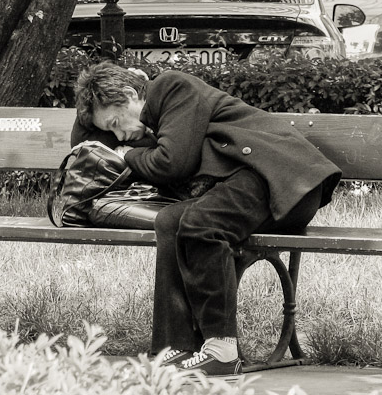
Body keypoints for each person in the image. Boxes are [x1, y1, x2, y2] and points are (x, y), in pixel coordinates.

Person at [72, 62, 341, 378]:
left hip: (277, 176)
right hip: (243, 182)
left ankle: (221, 352)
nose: (119, 134)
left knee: (202, 223)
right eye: (111, 131)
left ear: (131, 94)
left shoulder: (172, 88)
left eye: (116, 122)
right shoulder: (146, 125)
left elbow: (172, 163)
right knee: (170, 222)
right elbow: (82, 146)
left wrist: (124, 153)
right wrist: (94, 121)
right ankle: (172, 350)